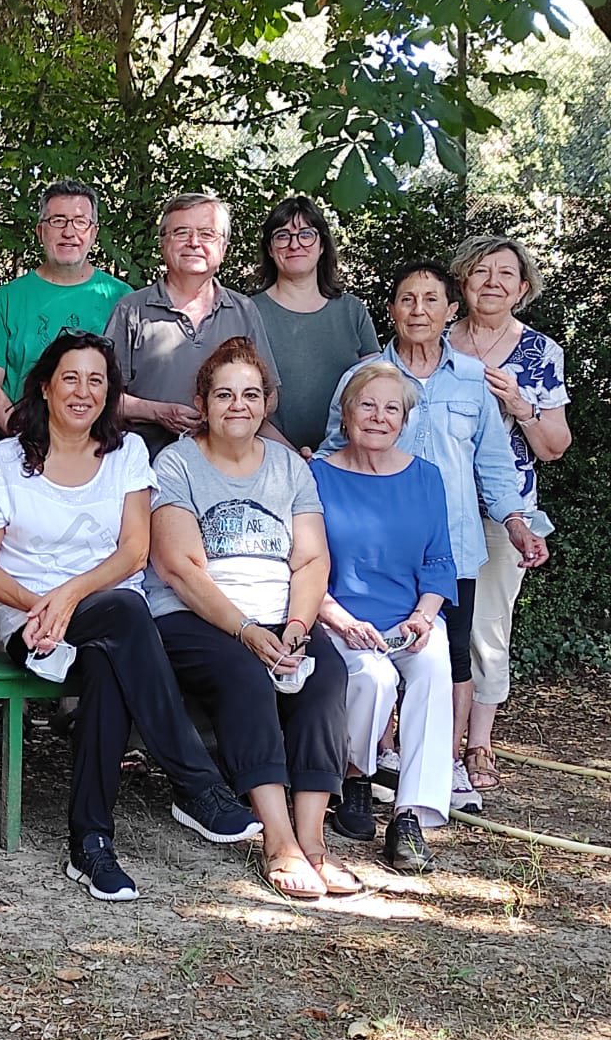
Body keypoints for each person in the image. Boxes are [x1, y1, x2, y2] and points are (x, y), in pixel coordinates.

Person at [0, 330, 262, 901]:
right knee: (125, 614)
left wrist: (69, 595)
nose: (83, 391)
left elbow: (133, 552)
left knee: (110, 654)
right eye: (71, 378)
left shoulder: (126, 453)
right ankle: (194, 785)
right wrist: (40, 607)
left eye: (97, 380)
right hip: (31, 625)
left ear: (110, 392)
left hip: (108, 621)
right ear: (46, 388)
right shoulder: (6, 459)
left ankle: (91, 845)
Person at [318, 262, 546, 813]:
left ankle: (439, 773)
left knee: (449, 655)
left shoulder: (473, 378)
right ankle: (372, 761)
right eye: (406, 299)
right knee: (372, 663)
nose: (418, 310)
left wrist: (516, 522)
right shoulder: (364, 376)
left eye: (430, 300)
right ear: (391, 310)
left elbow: (493, 463)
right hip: (367, 546)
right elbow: (333, 447)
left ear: (450, 311)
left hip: (449, 546)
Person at [147, 338, 355, 899]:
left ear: (266, 403)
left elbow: (311, 558)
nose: (237, 405)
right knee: (244, 672)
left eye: (250, 394)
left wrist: (296, 626)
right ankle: (279, 841)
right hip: (197, 616)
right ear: (202, 402)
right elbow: (180, 568)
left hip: (278, 614)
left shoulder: (289, 467)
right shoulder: (176, 463)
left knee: (327, 673)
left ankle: (314, 842)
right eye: (223, 394)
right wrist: (246, 630)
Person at [312, 363, 456, 871]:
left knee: (437, 668)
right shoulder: (317, 476)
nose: (379, 416)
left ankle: (410, 813)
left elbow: (440, 561)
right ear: (346, 414)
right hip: (341, 619)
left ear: (404, 419)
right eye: (367, 405)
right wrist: (339, 618)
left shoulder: (426, 478)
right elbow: (305, 565)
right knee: (371, 678)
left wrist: (424, 615)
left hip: (410, 620)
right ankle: (354, 777)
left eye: (391, 408)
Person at [446, 236, 570, 793]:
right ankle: (428, 735)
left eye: (505, 274)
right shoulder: (437, 341)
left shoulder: (539, 353)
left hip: (505, 513)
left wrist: (521, 405)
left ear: (522, 289)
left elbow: (553, 446)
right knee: (432, 619)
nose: (491, 282)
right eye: (480, 271)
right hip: (436, 505)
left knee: (487, 625)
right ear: (463, 281)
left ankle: (479, 743)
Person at [106, 192, 286, 455]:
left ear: (223, 248)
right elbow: (102, 397)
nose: (194, 243)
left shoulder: (243, 310)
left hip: (229, 468)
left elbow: (269, 397)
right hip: (145, 467)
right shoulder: (131, 310)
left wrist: (223, 417)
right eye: (181, 233)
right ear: (163, 244)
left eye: (207, 234)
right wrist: (156, 413)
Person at [0, 180, 130, 433]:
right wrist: (22, 439)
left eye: (80, 222)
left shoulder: (121, 298)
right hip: (22, 447)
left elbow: (125, 387)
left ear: (93, 233)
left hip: (98, 450)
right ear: (40, 231)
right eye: (58, 221)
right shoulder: (7, 299)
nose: (69, 232)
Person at [250, 196, 379, 454]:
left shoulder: (352, 310)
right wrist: (293, 458)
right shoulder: (248, 311)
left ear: (322, 245)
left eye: (306, 234)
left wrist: (336, 454)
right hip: (268, 457)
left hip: (348, 456)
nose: (294, 244)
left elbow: (377, 387)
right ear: (270, 248)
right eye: (282, 235)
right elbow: (241, 395)